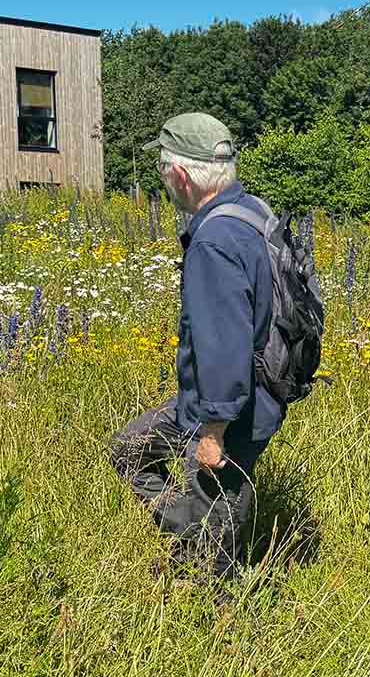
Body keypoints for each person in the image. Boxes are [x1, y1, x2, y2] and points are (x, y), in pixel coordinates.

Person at [109, 111, 283, 582]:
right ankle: (190, 538)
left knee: (218, 531)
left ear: (180, 174)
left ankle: (221, 623)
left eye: (164, 172)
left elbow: (222, 342)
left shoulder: (215, 240)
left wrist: (213, 431)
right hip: (250, 393)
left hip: (228, 407)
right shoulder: (252, 212)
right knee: (129, 449)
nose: (165, 182)